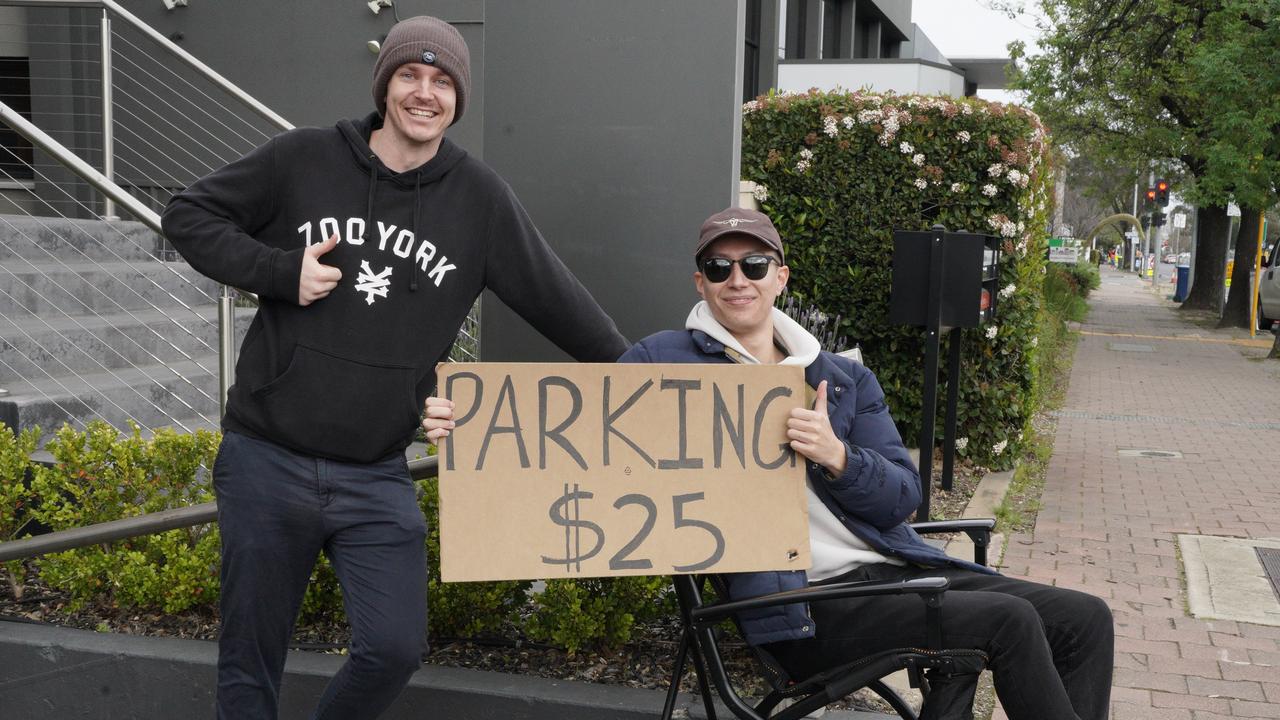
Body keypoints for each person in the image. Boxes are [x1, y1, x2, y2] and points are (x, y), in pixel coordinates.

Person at [161, 16, 628, 719]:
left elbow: (562, 304)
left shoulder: (479, 200)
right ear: (385, 85)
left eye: (443, 82)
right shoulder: (303, 159)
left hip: (375, 472)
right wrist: (278, 272)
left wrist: (650, 377)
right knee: (250, 657)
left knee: (394, 648)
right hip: (267, 457)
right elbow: (189, 215)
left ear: (457, 100)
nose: (425, 93)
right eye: (410, 75)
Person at [613, 207, 1112, 720]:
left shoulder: (841, 378)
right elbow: (602, 448)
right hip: (799, 605)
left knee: (1084, 617)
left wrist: (838, 457)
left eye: (755, 265)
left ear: (780, 278)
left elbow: (904, 495)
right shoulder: (662, 365)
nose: (737, 279)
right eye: (720, 268)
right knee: (1009, 621)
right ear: (701, 283)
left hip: (892, 572)